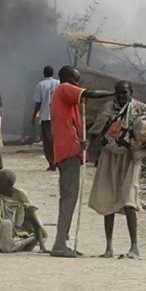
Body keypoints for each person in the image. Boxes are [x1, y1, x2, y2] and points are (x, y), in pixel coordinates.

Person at [88, 81, 146, 259]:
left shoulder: (140, 108)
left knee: (129, 199)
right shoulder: (108, 108)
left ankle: (134, 247)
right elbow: (97, 130)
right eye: (118, 93)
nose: (121, 96)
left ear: (131, 93)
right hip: (109, 157)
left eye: (124, 93)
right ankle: (109, 247)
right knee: (107, 198)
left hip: (130, 158)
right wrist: (89, 148)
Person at [49, 66, 113, 258]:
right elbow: (90, 94)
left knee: (70, 197)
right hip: (68, 152)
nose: (79, 84)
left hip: (72, 151)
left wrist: (81, 141)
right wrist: (112, 92)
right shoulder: (64, 89)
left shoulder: (69, 102)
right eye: (77, 80)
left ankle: (63, 240)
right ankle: (60, 243)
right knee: (69, 198)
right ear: (69, 78)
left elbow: (71, 125)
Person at [0, 169, 47, 253]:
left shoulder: (21, 196)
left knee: (7, 227)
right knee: (6, 224)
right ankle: (15, 245)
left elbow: (33, 219)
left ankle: (13, 244)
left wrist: (42, 247)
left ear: (9, 184)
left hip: (16, 234)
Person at [32, 66, 60, 171]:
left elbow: (38, 103)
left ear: (44, 73)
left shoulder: (40, 85)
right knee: (56, 139)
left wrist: (34, 116)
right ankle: (57, 161)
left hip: (45, 116)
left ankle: (51, 163)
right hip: (57, 116)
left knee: (48, 142)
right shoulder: (59, 83)